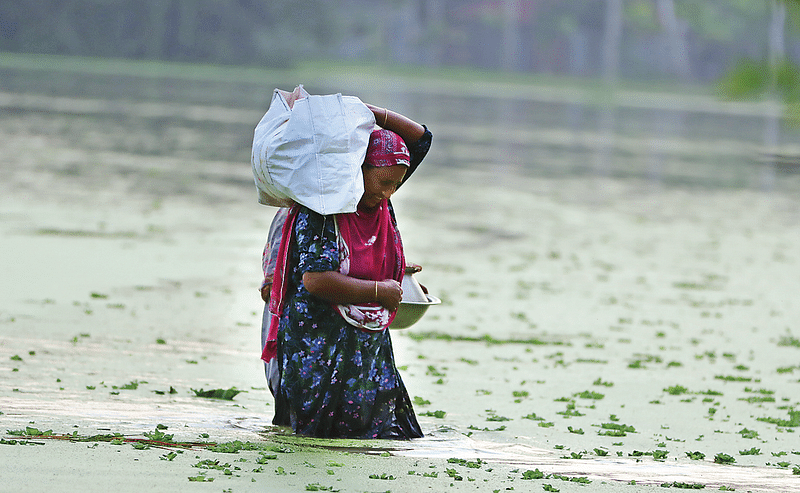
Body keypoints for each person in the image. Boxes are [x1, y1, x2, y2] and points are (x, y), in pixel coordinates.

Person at [261, 103, 432, 439]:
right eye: (384, 182)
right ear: (357, 166)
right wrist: (379, 291)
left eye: (396, 184)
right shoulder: (326, 206)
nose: (389, 193)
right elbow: (315, 279)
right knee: (322, 437)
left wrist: (365, 112)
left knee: (384, 433)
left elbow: (421, 139)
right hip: (319, 342)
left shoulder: (379, 193)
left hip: (365, 340)